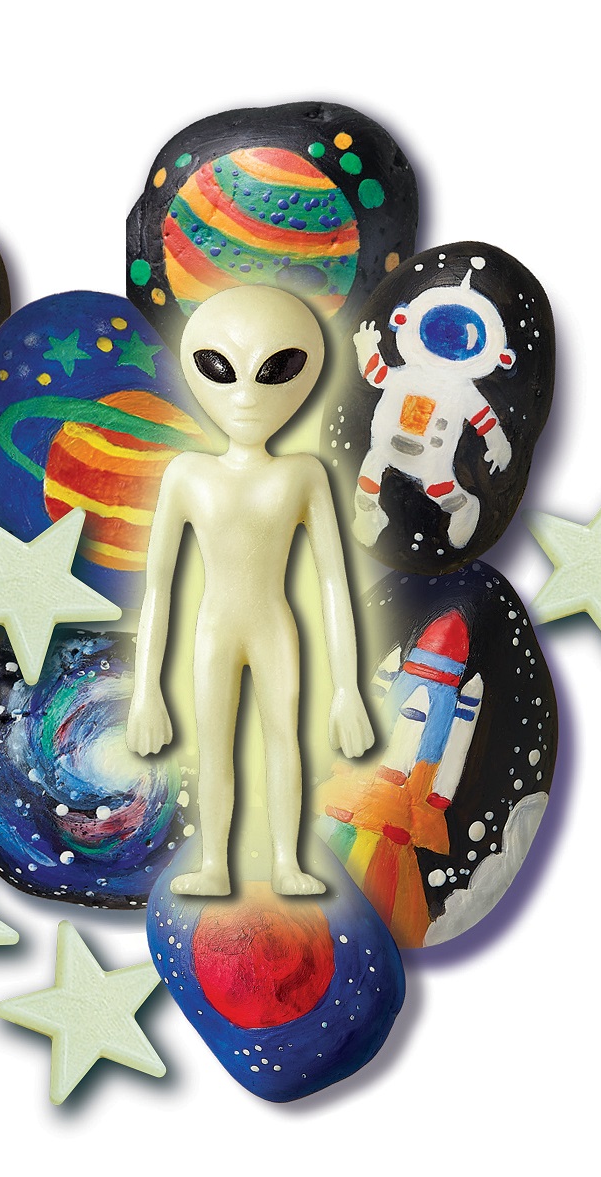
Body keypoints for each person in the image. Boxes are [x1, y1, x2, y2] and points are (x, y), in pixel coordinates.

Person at [127, 285, 374, 896]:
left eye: (274, 370)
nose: (244, 396)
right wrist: (145, 691)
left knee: (283, 740)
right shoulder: (187, 474)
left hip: (272, 626)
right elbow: (158, 587)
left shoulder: (303, 474)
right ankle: (214, 864)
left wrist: (348, 690)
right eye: (222, 369)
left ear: (305, 375)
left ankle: (288, 863)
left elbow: (334, 581)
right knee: (214, 748)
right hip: (214, 629)